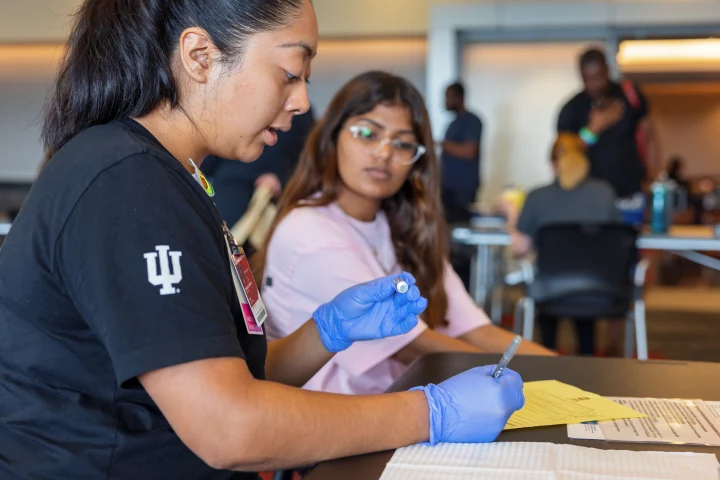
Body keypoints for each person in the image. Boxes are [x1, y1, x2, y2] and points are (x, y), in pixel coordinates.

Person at [0, 1, 525, 478]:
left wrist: (327, 331)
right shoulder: (125, 182)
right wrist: (429, 412)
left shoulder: (175, 179)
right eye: (291, 73)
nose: (300, 102)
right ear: (200, 56)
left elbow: (231, 375)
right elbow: (230, 427)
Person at [253, 71, 554, 396]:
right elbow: (415, 346)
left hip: (397, 407)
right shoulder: (308, 229)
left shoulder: (398, 225)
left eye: (402, 144)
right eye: (367, 133)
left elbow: (477, 330)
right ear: (331, 136)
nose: (384, 153)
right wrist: (536, 378)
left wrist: (571, 369)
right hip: (334, 427)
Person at [502, 133, 622, 355]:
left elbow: (520, 249)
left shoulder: (537, 197)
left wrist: (511, 216)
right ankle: (588, 361)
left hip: (550, 292)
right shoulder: (605, 193)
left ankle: (547, 359)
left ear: (552, 163)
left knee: (549, 292)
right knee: (584, 300)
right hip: (601, 290)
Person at [557, 48, 659, 200]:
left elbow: (650, 134)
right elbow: (565, 155)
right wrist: (592, 131)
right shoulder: (572, 109)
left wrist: (653, 173)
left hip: (630, 188)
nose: (594, 84)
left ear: (607, 70)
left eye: (598, 77)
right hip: (590, 193)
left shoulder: (629, 95)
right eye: (588, 79)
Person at [203, 108, 316, 230]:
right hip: (233, 183)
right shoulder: (237, 108)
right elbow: (212, 155)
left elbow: (309, 161)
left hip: (277, 191)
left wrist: (281, 179)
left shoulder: (300, 113)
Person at [440, 81, 484, 223]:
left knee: (460, 228)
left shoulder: (472, 121)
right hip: (447, 189)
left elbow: (470, 151)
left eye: (448, 97)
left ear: (459, 97)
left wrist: (443, 144)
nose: (445, 102)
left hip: (462, 190)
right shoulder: (453, 123)